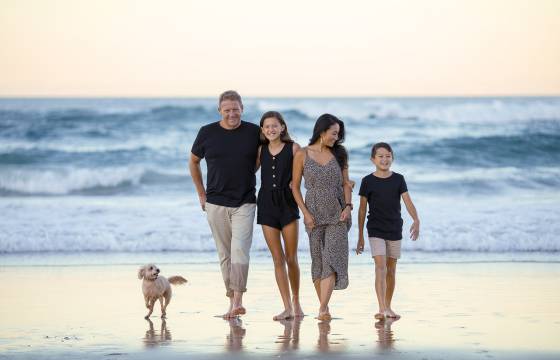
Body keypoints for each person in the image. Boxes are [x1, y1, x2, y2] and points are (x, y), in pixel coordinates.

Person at [189, 90, 260, 319]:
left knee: (240, 250)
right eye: (227, 110)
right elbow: (193, 161)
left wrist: (248, 174)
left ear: (242, 108)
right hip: (215, 202)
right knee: (225, 254)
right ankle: (231, 302)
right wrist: (201, 193)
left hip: (245, 201)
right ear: (220, 110)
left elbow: (263, 156)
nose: (232, 114)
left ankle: (238, 300)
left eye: (235, 109)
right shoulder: (207, 132)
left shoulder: (253, 132)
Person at [292, 113, 352, 321]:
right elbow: (294, 186)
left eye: (338, 134)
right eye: (333, 133)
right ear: (322, 131)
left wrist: (349, 206)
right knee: (318, 262)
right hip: (313, 213)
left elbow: (346, 183)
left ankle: (323, 308)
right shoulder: (302, 154)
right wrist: (305, 213)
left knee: (332, 258)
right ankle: (324, 309)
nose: (336, 137)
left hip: (338, 212)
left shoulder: (340, 153)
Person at [356, 142, 420, 320]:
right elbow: (362, 210)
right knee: (380, 267)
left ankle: (389, 306)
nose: (384, 159)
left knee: (391, 269)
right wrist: (360, 235)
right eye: (380, 156)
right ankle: (382, 307)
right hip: (375, 228)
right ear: (373, 159)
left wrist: (416, 219)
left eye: (388, 156)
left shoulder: (399, 179)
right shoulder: (367, 181)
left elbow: (407, 201)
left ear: (392, 158)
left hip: (394, 228)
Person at [257, 111, 304, 320]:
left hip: (287, 204)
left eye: (274, 126)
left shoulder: (294, 148)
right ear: (262, 130)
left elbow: (301, 178)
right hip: (266, 204)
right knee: (277, 259)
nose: (271, 130)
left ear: (282, 127)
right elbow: (246, 171)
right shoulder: (260, 151)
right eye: (266, 127)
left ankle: (296, 300)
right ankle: (287, 307)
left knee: (291, 258)